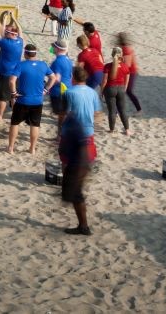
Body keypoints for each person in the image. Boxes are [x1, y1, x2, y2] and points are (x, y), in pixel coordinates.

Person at [59, 66, 101, 236]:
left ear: (73, 78)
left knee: (71, 178)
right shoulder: (92, 92)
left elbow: (63, 115)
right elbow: (98, 114)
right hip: (89, 136)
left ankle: (83, 226)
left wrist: (60, 130)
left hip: (72, 138)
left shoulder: (69, 93)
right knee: (79, 173)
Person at [7, 44, 58, 154]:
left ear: (25, 54)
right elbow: (53, 78)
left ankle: (11, 148)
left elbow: (11, 81)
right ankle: (32, 148)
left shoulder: (21, 65)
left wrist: (14, 93)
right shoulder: (43, 65)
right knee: (35, 125)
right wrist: (45, 90)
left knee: (15, 123)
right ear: (35, 53)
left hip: (22, 100)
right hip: (37, 101)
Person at [0, 17, 24, 120]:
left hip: (5, 74)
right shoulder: (20, 41)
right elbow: (19, 29)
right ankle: (16, 114)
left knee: (2, 97)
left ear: (11, 34)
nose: (4, 33)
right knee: (14, 94)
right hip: (16, 73)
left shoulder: (6, 43)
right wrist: (11, 19)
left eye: (6, 32)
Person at [103, 47, 133, 136]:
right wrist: (124, 89)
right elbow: (127, 81)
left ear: (112, 55)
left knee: (112, 111)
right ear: (121, 55)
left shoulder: (108, 66)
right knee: (122, 110)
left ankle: (112, 130)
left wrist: (101, 91)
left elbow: (104, 81)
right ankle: (127, 130)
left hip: (110, 89)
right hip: (121, 89)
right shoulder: (125, 67)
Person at [49, 40, 74, 133]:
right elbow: (70, 75)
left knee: (61, 115)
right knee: (63, 114)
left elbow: (57, 79)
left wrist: (46, 87)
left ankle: (60, 135)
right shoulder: (69, 60)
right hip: (68, 89)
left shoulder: (56, 62)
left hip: (59, 91)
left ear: (58, 49)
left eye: (54, 47)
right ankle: (62, 135)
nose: (52, 49)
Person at [115, 32, 142, 112]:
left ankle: (139, 109)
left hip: (130, 73)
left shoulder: (125, 50)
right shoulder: (125, 48)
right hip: (131, 72)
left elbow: (127, 65)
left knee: (127, 91)